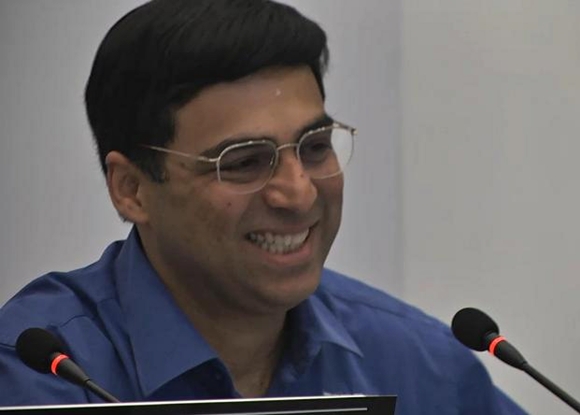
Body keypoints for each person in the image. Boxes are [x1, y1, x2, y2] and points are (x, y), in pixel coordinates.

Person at [0, 0, 526, 413]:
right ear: (132, 189)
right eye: (244, 162)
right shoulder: (42, 372)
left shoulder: (418, 363)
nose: (299, 194)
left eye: (315, 147)